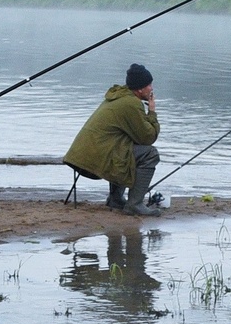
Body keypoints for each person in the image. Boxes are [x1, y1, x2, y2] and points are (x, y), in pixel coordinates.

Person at [64, 63, 162, 216]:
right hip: (94, 158)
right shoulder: (131, 104)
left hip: (84, 154)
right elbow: (148, 137)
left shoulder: (120, 96)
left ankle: (116, 199)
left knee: (127, 147)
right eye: (149, 85)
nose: (152, 88)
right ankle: (135, 204)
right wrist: (152, 112)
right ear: (140, 89)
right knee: (150, 154)